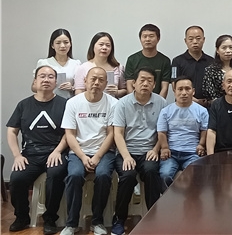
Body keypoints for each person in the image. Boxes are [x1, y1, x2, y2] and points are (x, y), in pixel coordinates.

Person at [6, 66, 68, 235]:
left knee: (55, 175)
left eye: (50, 77)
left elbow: (69, 132)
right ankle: (22, 217)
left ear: (56, 82)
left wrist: (58, 151)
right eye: (42, 76)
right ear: (35, 81)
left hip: (56, 152)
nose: (46, 79)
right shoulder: (23, 105)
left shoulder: (64, 104)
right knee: (17, 179)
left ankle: (50, 218)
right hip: (30, 154)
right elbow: (12, 131)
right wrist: (17, 155)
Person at [60, 68, 118, 235]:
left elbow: (112, 134)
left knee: (103, 175)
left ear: (106, 83)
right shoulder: (73, 103)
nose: (96, 83)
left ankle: (97, 221)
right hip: (79, 152)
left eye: (101, 80)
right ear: (85, 80)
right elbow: (70, 134)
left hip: (104, 152)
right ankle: (71, 223)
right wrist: (83, 156)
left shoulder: (113, 103)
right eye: (93, 79)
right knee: (74, 175)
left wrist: (98, 156)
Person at [110, 67, 167, 235]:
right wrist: (126, 156)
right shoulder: (122, 103)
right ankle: (119, 219)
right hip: (126, 151)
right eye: (142, 80)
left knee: (151, 171)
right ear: (134, 83)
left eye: (150, 81)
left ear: (154, 84)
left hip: (149, 151)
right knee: (127, 175)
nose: (145, 83)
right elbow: (118, 133)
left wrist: (155, 149)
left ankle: (153, 217)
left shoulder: (161, 103)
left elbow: (163, 131)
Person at [157, 77, 208, 189]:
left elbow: (204, 130)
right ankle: (171, 198)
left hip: (192, 153)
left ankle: (191, 199)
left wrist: (201, 144)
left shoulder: (202, 111)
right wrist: (164, 148)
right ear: (174, 91)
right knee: (165, 175)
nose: (184, 93)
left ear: (193, 91)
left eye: (187, 89)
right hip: (171, 153)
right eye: (180, 89)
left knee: (197, 174)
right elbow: (161, 132)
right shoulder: (166, 111)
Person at [74, 32, 126, 99]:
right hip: (89, 103)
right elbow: (78, 91)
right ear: (93, 46)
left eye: (108, 45)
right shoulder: (83, 67)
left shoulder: (118, 67)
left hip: (111, 103)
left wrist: (117, 92)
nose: (104, 48)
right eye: (101, 44)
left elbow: (124, 90)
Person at [125, 24, 171, 98]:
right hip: (135, 101)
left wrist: (158, 102)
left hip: (157, 101)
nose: (147, 39)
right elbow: (129, 84)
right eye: (144, 36)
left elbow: (164, 87)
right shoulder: (132, 59)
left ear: (158, 38)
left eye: (151, 36)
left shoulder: (165, 61)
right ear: (140, 39)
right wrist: (133, 101)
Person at [171, 26, 214, 106]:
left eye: (198, 38)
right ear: (185, 41)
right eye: (191, 39)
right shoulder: (177, 61)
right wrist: (193, 100)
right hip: (184, 103)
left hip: (207, 105)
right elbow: (174, 84)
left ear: (204, 40)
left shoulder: (211, 61)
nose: (195, 42)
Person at [35, 28, 81, 99]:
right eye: (58, 43)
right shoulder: (43, 63)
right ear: (52, 45)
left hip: (69, 101)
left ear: (70, 44)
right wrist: (47, 84)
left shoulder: (76, 64)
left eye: (66, 42)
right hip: (48, 101)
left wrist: (72, 88)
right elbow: (34, 87)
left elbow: (81, 88)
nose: (62, 46)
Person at [200, 34, 232, 104]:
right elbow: (209, 95)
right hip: (217, 107)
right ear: (217, 50)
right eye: (224, 48)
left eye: (231, 47)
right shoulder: (210, 70)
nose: (228, 51)